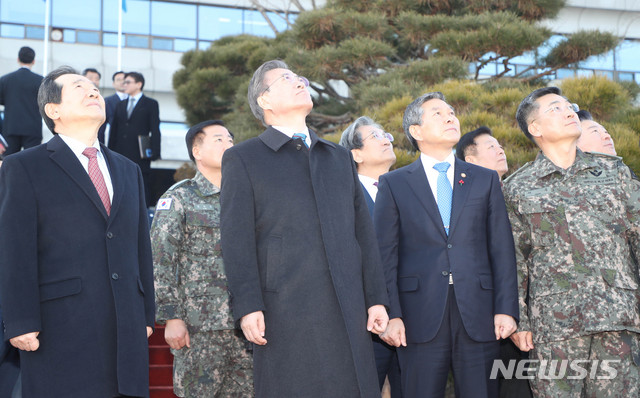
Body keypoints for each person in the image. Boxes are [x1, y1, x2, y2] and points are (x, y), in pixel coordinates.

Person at [220, 60, 389, 398]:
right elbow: (236, 239)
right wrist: (248, 305)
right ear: (265, 100)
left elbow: (363, 236)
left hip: (348, 307)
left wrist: (376, 300)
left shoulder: (337, 157)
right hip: (285, 308)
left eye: (300, 77)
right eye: (286, 78)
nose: (300, 81)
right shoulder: (244, 158)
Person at [0, 66, 155, 397]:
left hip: (126, 329)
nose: (93, 92)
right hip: (61, 326)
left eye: (94, 89)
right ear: (53, 110)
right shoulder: (25, 166)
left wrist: (145, 314)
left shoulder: (129, 170)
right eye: (79, 87)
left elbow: (141, 247)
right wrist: (19, 320)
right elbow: (15, 249)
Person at [375, 92, 519, 398]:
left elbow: (502, 249)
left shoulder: (484, 179)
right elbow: (384, 255)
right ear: (416, 131)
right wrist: (392, 313)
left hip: (479, 313)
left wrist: (506, 308)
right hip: (417, 316)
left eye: (452, 112)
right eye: (438, 114)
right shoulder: (395, 183)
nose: (450, 117)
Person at [504, 86, 640, 397]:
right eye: (555, 108)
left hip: (618, 318)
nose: (568, 112)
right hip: (554, 325)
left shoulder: (613, 172)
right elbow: (512, 259)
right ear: (534, 128)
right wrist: (520, 320)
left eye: (569, 106)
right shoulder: (517, 188)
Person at [150, 120, 253, 397]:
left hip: (247, 324)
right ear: (197, 151)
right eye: (219, 139)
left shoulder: (247, 197)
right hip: (200, 328)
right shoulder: (180, 197)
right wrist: (171, 317)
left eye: (231, 140)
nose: (229, 145)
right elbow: (161, 260)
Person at [456, 126, 532, 398]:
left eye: (500, 144)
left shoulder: (519, 192)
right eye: (491, 146)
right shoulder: (463, 202)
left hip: (533, 314)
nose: (500, 149)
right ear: (471, 161)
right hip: (491, 318)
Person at [339, 116, 401, 397]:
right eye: (376, 136)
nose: (386, 138)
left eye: (386, 133)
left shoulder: (407, 189)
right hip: (365, 324)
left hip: (412, 319)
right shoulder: (343, 198)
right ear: (356, 153)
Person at [109, 71, 161, 207]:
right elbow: (114, 130)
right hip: (119, 152)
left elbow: (155, 129)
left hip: (140, 153)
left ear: (139, 84)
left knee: (141, 184)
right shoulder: (120, 105)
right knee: (119, 183)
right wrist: (109, 151)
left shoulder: (151, 104)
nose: (124, 84)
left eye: (128, 82)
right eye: (123, 82)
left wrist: (155, 151)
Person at [0, 46, 43, 155]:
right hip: (33, 128)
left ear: (18, 59)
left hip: (11, 127)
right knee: (32, 163)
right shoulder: (41, 81)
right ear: (33, 61)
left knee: (8, 163)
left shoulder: (5, 79)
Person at [98, 71, 127, 145]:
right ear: (113, 84)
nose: (122, 82)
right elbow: (101, 128)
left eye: (124, 79)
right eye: (118, 80)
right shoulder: (108, 101)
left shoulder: (135, 101)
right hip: (115, 144)